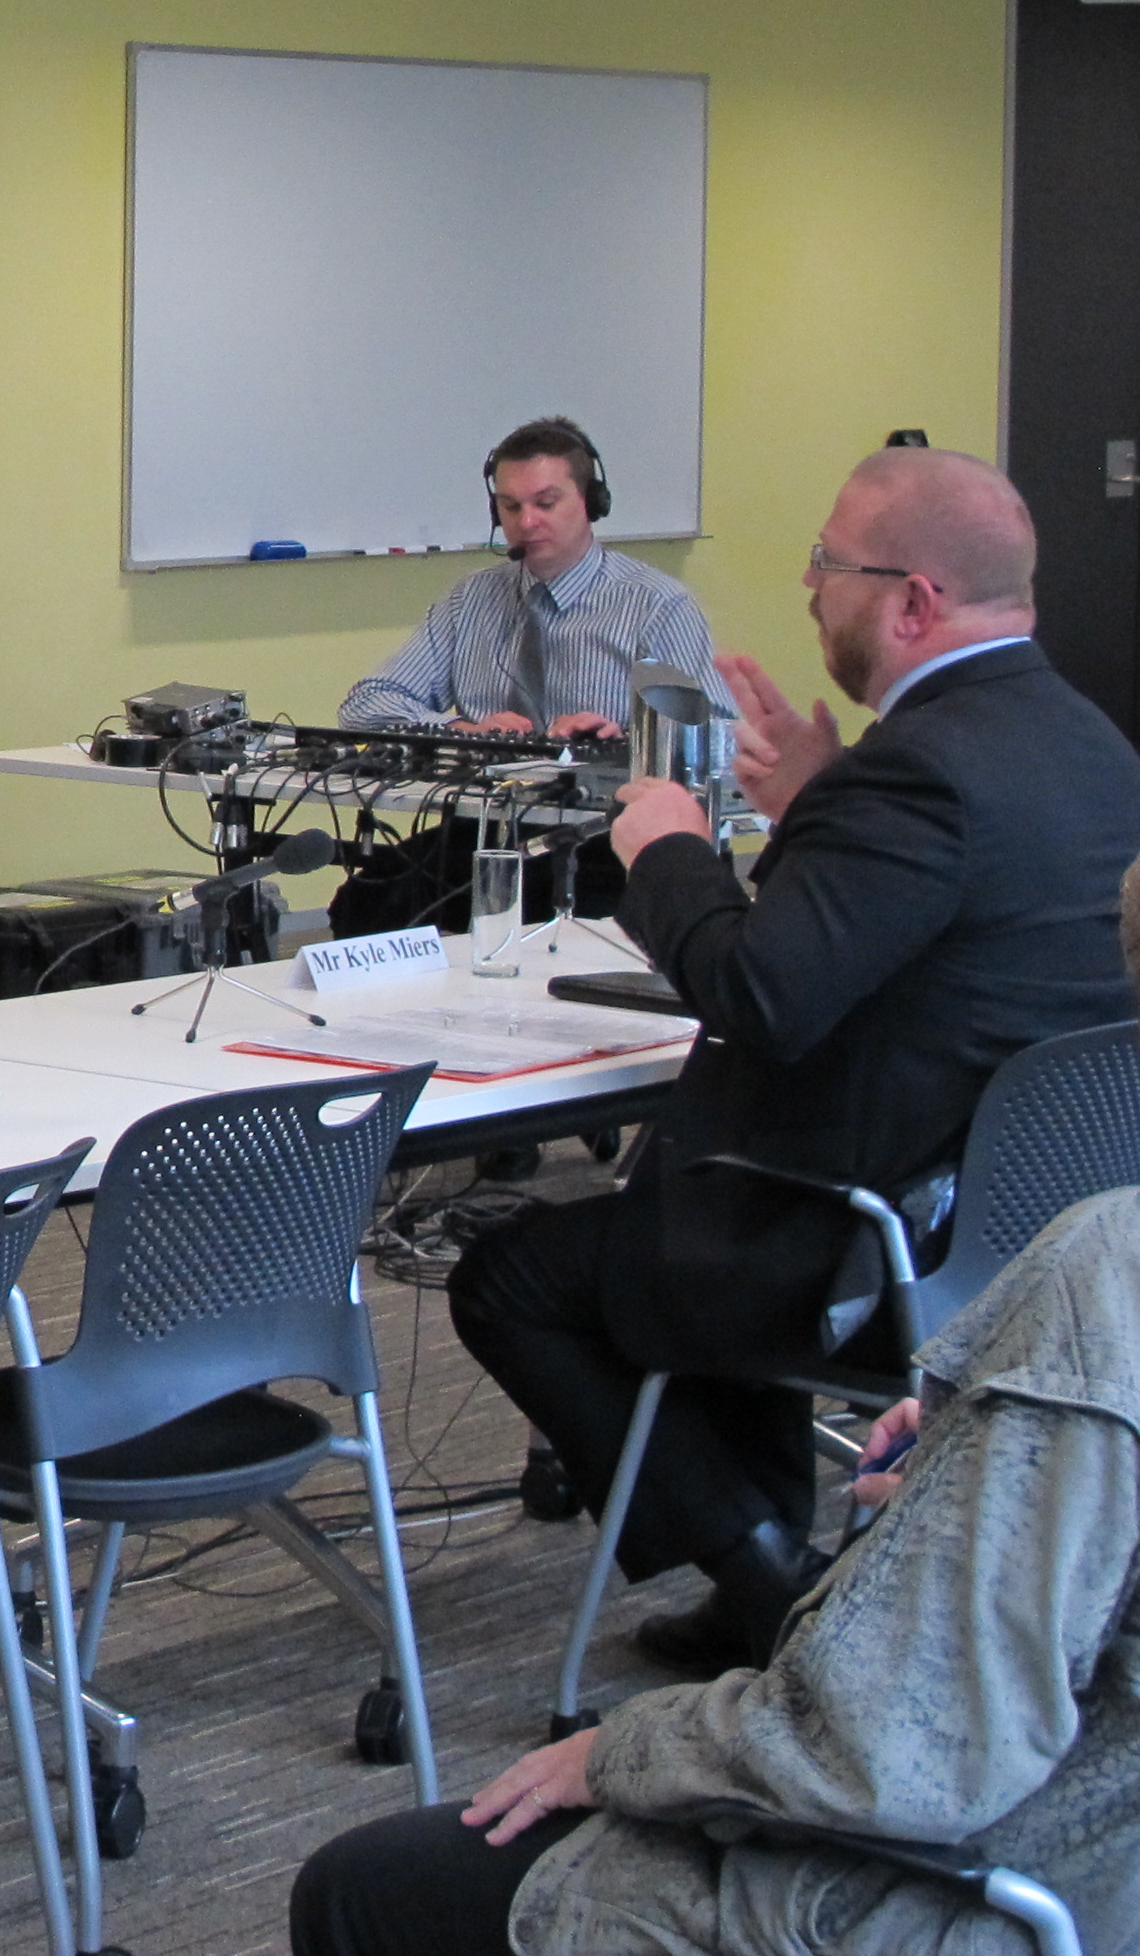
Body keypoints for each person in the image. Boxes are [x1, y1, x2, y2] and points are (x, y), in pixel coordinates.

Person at [451, 446, 1140, 1672]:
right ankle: (760, 1558)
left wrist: (670, 850)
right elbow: (926, 925)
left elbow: (761, 996)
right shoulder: (1086, 743)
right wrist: (821, 801)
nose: (810, 585)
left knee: (516, 1275)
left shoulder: (918, 775)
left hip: (867, 1242)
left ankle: (769, 1573)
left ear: (914, 600)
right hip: (1024, 1233)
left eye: (829, 564)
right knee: (687, 1212)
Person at [295, 1177, 1140, 1956]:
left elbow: (897, 1753)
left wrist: (618, 1754)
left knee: (364, 1888)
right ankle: (754, 1559)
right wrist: (988, 1452)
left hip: (1035, 1892)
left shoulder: (1108, 1271)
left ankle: (752, 1561)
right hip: (896, 1237)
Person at [343, 417, 727, 739]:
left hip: (610, 819)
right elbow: (366, 704)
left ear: (591, 503)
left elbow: (720, 734)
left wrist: (621, 741)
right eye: (510, 507)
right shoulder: (469, 600)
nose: (526, 522)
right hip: (485, 815)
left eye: (546, 504)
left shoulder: (655, 605)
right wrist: (463, 728)